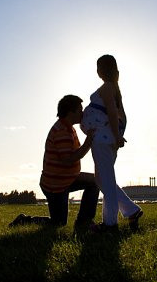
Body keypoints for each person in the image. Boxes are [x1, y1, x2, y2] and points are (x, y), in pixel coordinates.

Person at [10, 95, 99, 229]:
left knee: (95, 181)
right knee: (58, 223)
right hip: (55, 185)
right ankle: (24, 220)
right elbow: (68, 160)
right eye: (79, 110)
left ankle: (84, 221)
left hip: (67, 179)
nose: (82, 113)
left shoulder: (69, 127)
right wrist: (89, 141)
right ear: (70, 112)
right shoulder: (61, 131)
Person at [82, 54, 143, 231]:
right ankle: (130, 210)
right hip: (105, 138)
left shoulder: (108, 87)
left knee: (105, 181)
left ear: (101, 70)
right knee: (102, 180)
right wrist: (116, 135)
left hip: (103, 139)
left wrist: (116, 136)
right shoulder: (114, 88)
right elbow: (119, 115)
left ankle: (110, 224)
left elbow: (111, 112)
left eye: (98, 67)